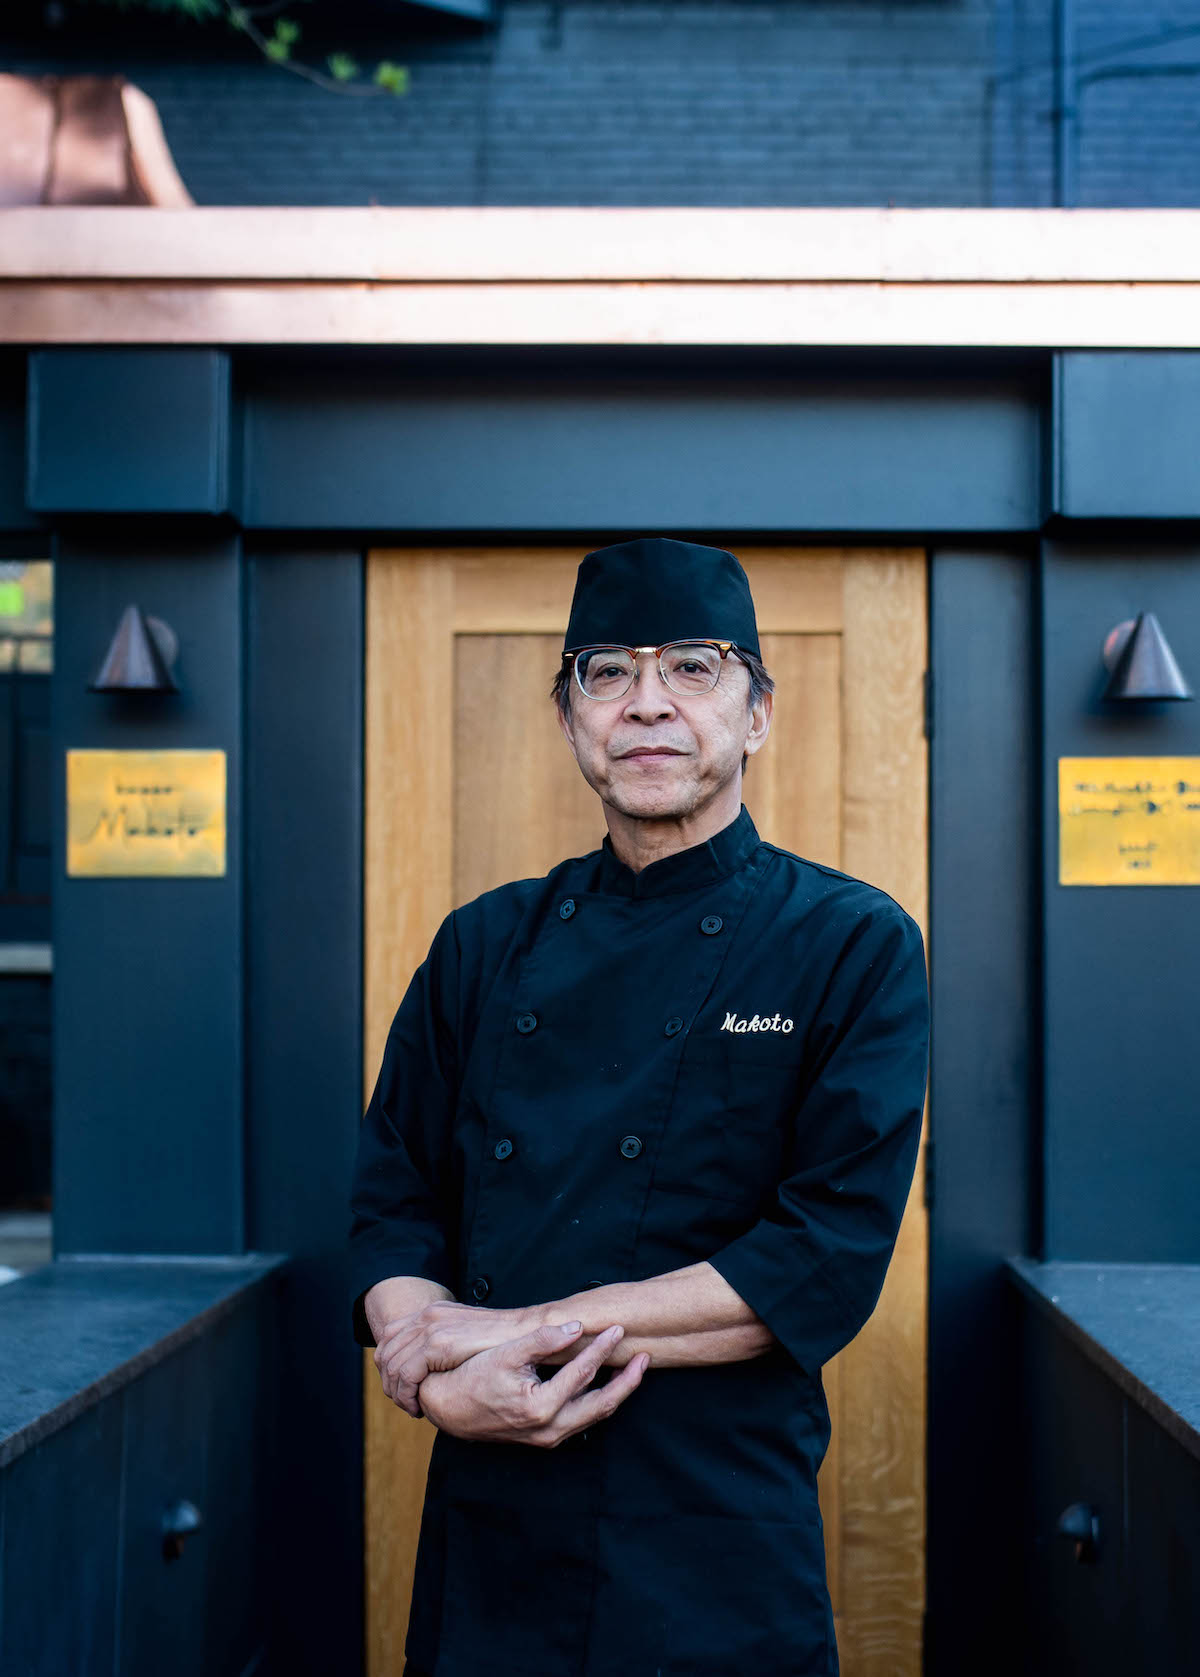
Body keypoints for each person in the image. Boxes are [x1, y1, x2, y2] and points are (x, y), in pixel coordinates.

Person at [347, 535, 930, 1677]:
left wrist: (508, 1334)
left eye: (695, 669)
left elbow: (818, 1262)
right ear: (568, 716)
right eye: (607, 672)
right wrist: (432, 1374)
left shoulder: (850, 944)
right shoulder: (482, 945)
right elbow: (393, 1201)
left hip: (713, 1533)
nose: (647, 704)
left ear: (758, 712)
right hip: (493, 1527)